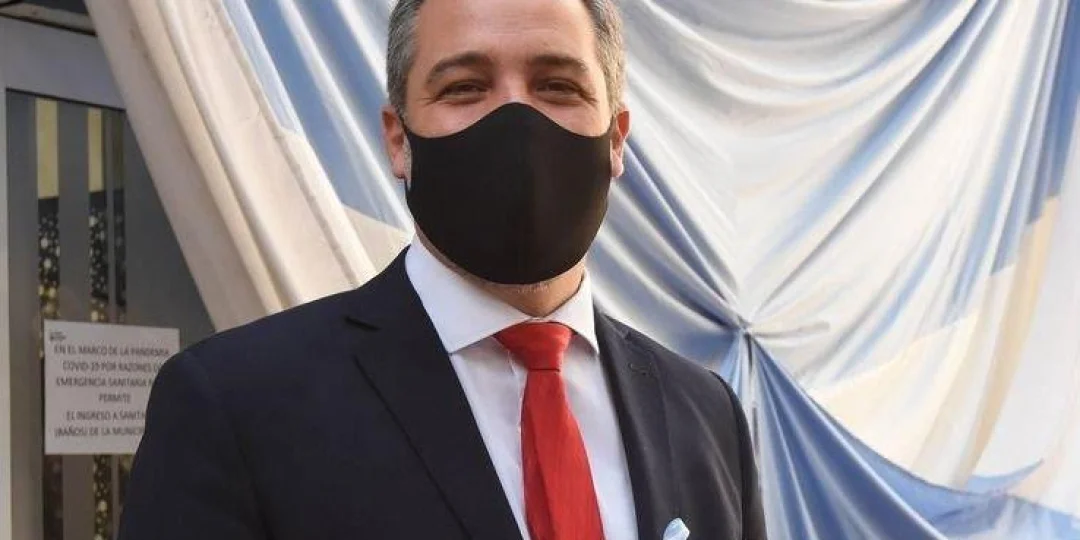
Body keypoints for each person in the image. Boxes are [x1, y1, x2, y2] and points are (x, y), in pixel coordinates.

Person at [117, 0, 767, 539]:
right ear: (398, 139)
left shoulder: (706, 414)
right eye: (465, 87)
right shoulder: (234, 406)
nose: (516, 120)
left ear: (616, 138)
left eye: (557, 86)